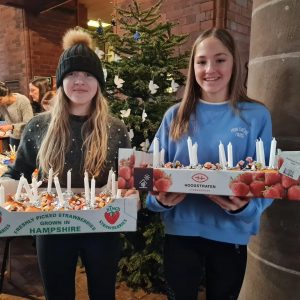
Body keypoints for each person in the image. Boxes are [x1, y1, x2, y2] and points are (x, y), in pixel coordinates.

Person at [2, 28, 131, 299]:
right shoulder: (38, 127)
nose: (80, 81)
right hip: (52, 228)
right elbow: (17, 175)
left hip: (102, 228)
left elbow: (126, 181)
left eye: (88, 75)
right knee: (57, 293)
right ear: (61, 81)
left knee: (103, 293)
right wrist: (6, 190)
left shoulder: (116, 129)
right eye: (72, 74)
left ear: (99, 83)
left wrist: (131, 193)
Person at [146, 28, 273, 300]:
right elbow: (147, 178)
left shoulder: (256, 116)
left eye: (220, 59)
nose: (209, 69)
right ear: (193, 67)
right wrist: (160, 201)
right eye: (201, 61)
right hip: (181, 233)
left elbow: (267, 180)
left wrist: (248, 207)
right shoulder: (174, 116)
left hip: (231, 236)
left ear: (234, 63)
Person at [0, 81, 34, 149]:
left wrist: (11, 127)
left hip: (26, 137)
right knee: (13, 157)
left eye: (0, 99)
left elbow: (29, 123)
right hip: (13, 136)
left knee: (26, 158)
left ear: (7, 94)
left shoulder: (22, 101)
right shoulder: (2, 104)